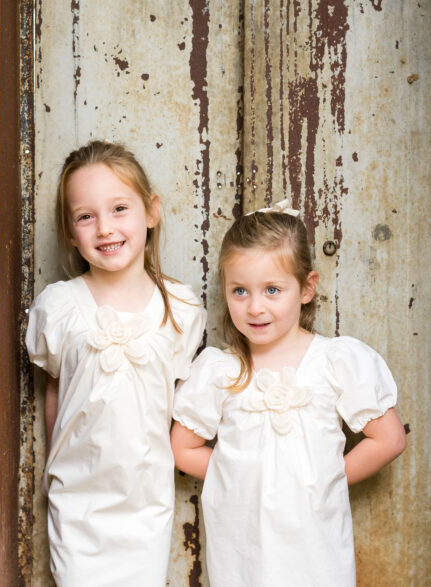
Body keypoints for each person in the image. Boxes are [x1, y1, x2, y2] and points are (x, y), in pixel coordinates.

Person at [170, 203, 407, 587]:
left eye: (272, 290)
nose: (255, 307)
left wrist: (322, 480)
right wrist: (242, 477)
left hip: (316, 546)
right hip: (244, 546)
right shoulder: (221, 370)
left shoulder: (334, 361)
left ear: (307, 288)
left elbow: (390, 439)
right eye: (240, 290)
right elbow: (183, 448)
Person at [25, 140, 205, 586]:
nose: (105, 228)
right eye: (86, 216)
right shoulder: (61, 306)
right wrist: (55, 467)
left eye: (119, 208)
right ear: (70, 231)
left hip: (145, 500)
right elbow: (56, 388)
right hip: (78, 497)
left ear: (151, 212)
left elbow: (182, 404)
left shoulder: (180, 309)